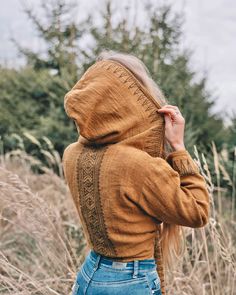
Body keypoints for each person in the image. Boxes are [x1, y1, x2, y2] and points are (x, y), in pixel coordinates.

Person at [62, 50, 210, 295]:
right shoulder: (137, 165)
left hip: (89, 274)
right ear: (128, 99)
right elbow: (197, 212)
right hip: (130, 281)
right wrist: (179, 148)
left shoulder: (72, 154)